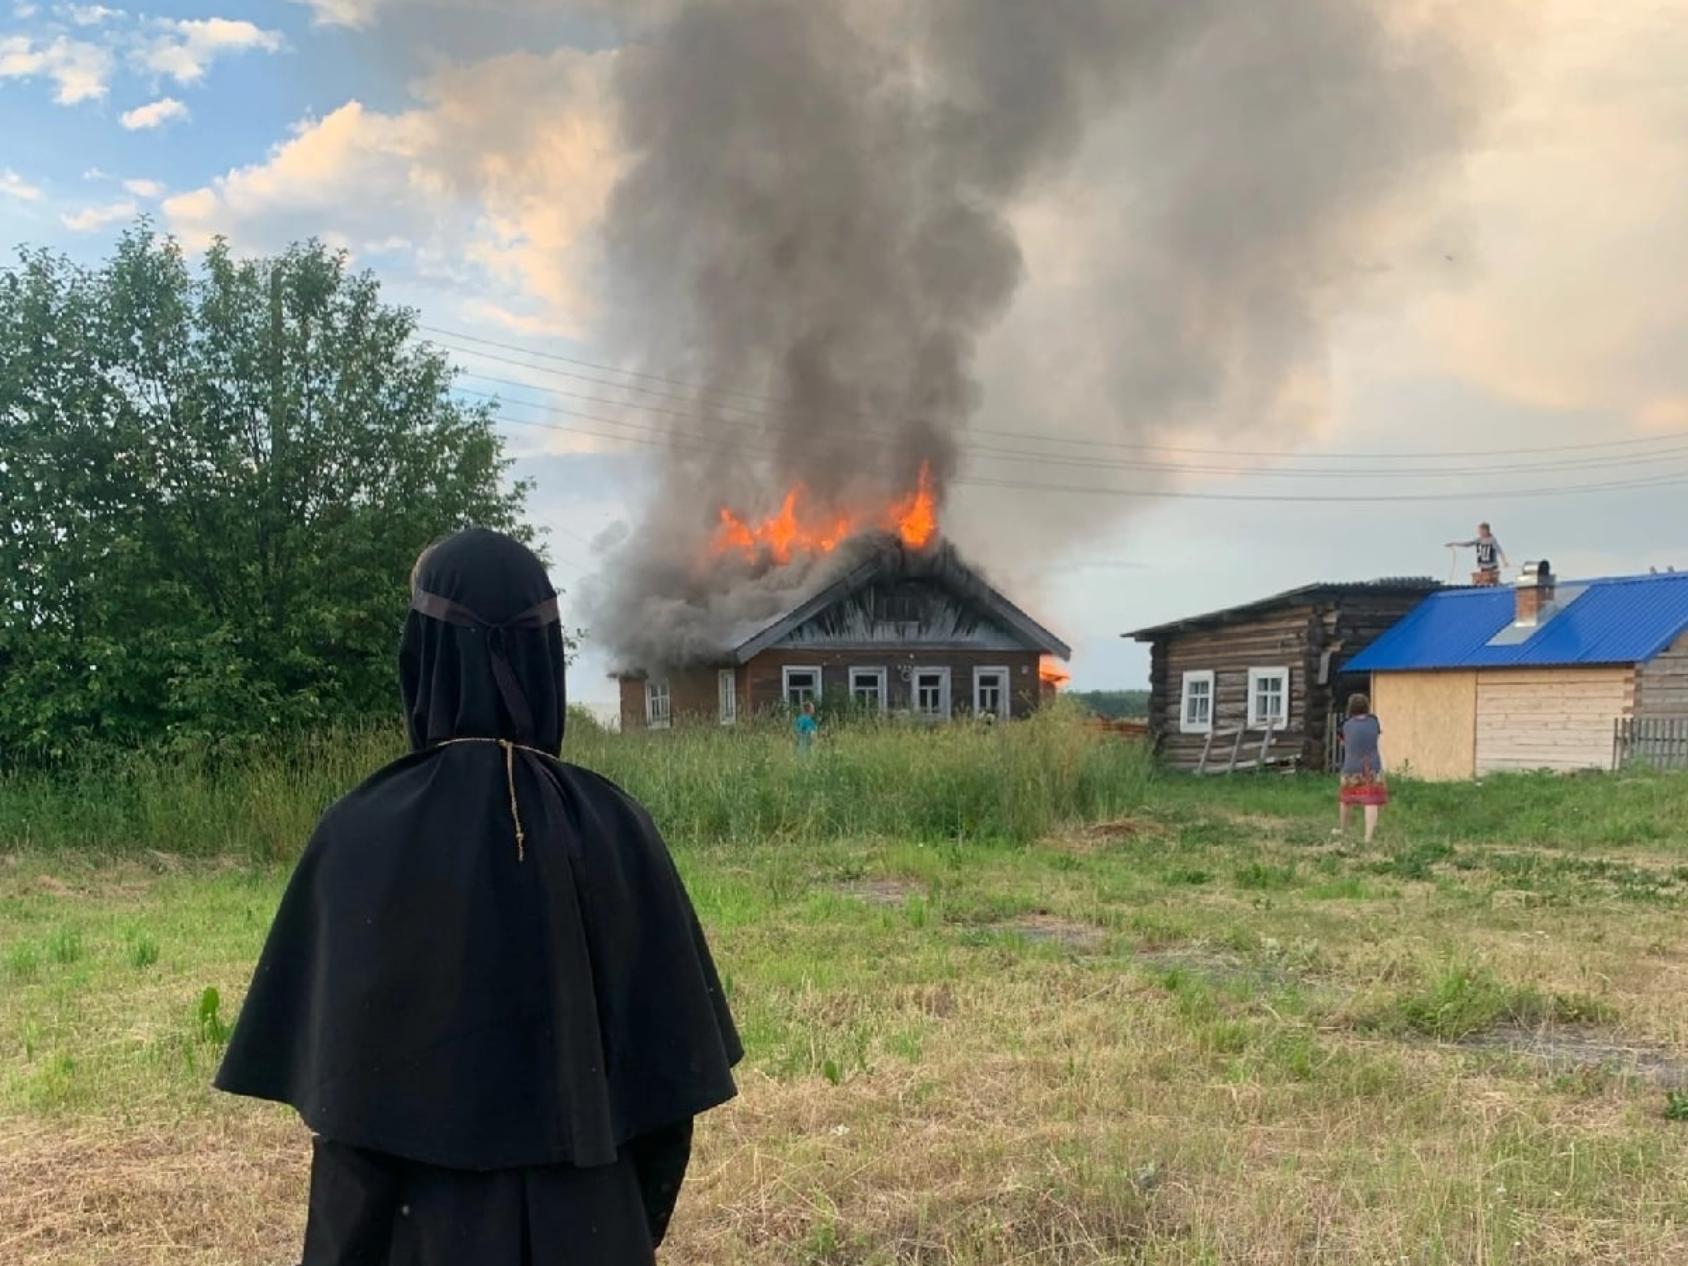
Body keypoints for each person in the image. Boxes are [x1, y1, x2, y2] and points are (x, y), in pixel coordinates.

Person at [214, 528, 742, 1266]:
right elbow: (667, 1113)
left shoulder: (361, 832)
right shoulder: (617, 826)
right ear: (544, 656)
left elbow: (349, 1131)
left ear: (423, 656)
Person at [1336, 692, 1387, 844]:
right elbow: (1376, 734)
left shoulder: (1345, 725)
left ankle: (1343, 830)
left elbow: (1344, 742)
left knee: (1346, 799)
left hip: (1352, 766)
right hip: (1373, 766)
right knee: (1371, 801)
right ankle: (1368, 837)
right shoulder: (1374, 722)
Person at [1445, 521, 1509, 586]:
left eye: (1480, 531)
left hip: (1492, 567)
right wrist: (1454, 543)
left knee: (1491, 580)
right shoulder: (1479, 540)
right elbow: (1467, 544)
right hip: (1483, 566)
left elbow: (1500, 551)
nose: (1479, 533)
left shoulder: (1492, 540)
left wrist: (1504, 561)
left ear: (1485, 531)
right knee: (1482, 580)